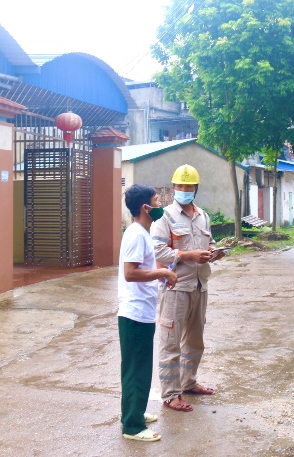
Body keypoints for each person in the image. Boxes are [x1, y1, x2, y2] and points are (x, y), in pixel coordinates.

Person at [151, 164, 226, 412]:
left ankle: (189, 382)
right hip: (175, 287)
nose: (184, 190)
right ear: (173, 189)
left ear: (196, 189)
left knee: (195, 341)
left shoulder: (203, 215)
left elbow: (209, 242)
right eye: (180, 186)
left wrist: (214, 253)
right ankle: (171, 395)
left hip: (199, 286)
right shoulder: (162, 216)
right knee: (170, 343)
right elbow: (158, 250)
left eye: (189, 186)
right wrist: (188, 255)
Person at [117, 184, 177, 442]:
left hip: (142, 312)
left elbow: (142, 270)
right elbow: (130, 273)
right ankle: (132, 426)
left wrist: (158, 275)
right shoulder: (136, 234)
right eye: (156, 201)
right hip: (134, 315)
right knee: (136, 370)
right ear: (145, 208)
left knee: (139, 367)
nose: (159, 205)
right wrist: (162, 272)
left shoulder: (142, 231)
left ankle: (135, 413)